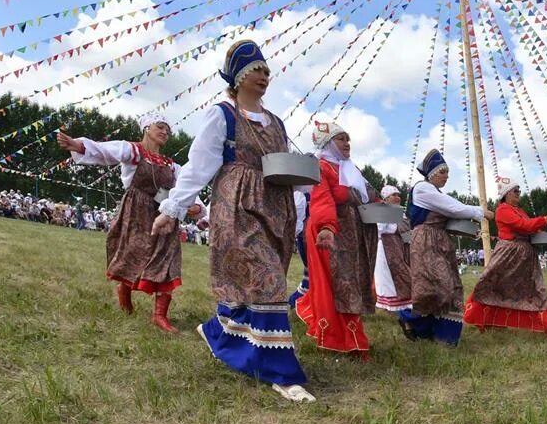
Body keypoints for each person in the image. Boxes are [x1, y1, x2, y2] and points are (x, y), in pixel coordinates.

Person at [151, 38, 313, 403]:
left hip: (275, 206)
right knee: (268, 279)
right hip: (237, 205)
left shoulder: (276, 122)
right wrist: (172, 209)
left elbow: (283, 166)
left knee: (255, 283)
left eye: (267, 71)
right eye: (257, 69)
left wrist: (311, 191)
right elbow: (199, 166)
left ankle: (218, 333)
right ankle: (281, 374)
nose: (265, 76)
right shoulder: (222, 114)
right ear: (239, 75)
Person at [57, 113, 203, 333]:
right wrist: (78, 145)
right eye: (160, 127)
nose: (165, 132)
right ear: (146, 128)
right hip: (136, 211)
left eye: (168, 130)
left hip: (164, 214)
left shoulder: (172, 166)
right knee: (133, 253)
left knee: (168, 257)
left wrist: (198, 208)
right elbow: (106, 151)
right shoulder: (132, 151)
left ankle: (159, 316)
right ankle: (124, 291)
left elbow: (187, 186)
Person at [295, 122, 378, 358]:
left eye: (347, 138)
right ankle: (344, 339)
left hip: (351, 232)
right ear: (328, 143)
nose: (347, 143)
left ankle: (348, 336)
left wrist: (384, 205)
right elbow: (322, 199)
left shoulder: (351, 170)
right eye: (341, 139)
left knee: (351, 282)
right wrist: (328, 228)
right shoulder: (322, 167)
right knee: (340, 284)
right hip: (329, 231)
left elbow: (369, 196)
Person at [405, 149, 493, 345]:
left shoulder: (434, 191)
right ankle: (416, 323)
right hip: (426, 241)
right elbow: (453, 207)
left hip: (438, 240)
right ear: (432, 173)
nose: (446, 176)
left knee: (448, 286)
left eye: (447, 172)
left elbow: (450, 211)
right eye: (443, 171)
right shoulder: (422, 188)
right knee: (435, 286)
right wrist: (481, 212)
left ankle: (437, 334)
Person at [464, 178, 547, 337]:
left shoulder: (519, 210)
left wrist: (543, 236)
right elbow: (525, 226)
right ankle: (484, 320)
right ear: (506, 194)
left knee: (536, 288)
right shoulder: (503, 210)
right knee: (491, 285)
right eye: (515, 190)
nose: (519, 193)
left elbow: (529, 228)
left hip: (524, 254)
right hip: (508, 254)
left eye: (519, 190)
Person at [373, 184, 414, 319]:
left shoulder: (401, 213)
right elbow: (377, 231)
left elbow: (407, 233)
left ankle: (402, 306)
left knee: (404, 276)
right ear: (385, 198)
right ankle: (389, 308)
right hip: (386, 249)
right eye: (393, 195)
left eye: (398, 195)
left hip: (401, 247)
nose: (397, 197)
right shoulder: (384, 211)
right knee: (387, 279)